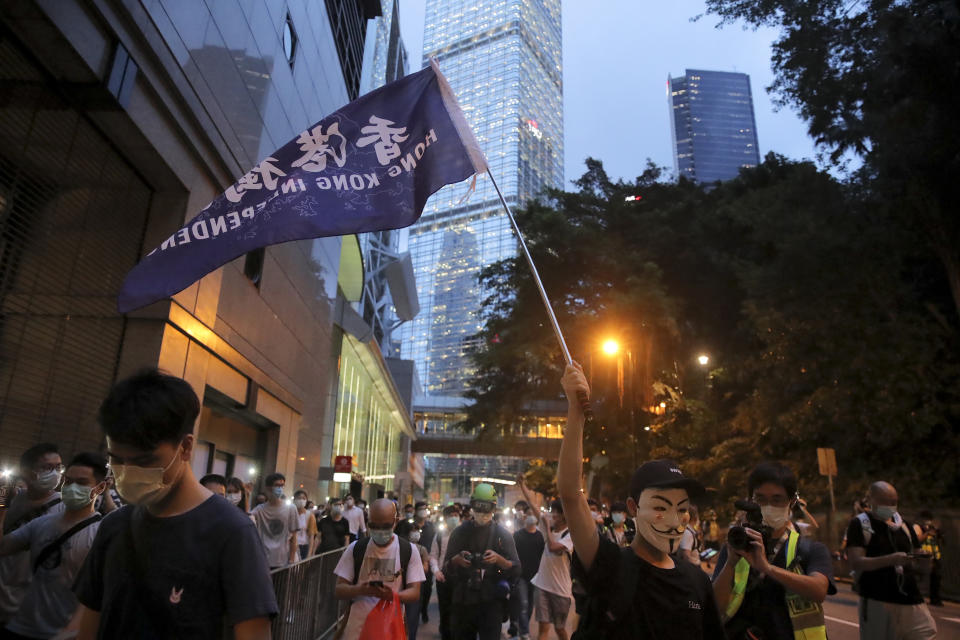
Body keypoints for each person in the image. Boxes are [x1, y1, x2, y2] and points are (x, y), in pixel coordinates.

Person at [71, 368, 276, 639]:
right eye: (117, 460)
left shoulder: (232, 533)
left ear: (186, 448)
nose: (127, 471)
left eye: (144, 461)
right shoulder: (114, 526)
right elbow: (88, 623)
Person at [556, 362, 725, 639]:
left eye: (682, 509)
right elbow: (571, 495)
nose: (673, 519)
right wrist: (576, 411)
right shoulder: (610, 565)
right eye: (660, 506)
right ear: (633, 508)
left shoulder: (696, 581)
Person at [712, 462, 836, 640]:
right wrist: (731, 563)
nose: (768, 506)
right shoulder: (736, 545)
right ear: (749, 500)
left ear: (791, 502)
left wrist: (767, 568)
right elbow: (715, 607)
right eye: (760, 499)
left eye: (777, 499)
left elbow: (819, 590)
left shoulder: (810, 549)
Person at [0, 453, 106, 640]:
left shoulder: (100, 534)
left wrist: (73, 630)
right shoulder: (42, 523)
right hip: (19, 626)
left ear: (100, 487)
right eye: (68, 481)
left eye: (81, 482)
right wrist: (2, 506)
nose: (72, 487)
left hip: (60, 634)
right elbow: (3, 548)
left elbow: (95, 594)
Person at [846, 481, 937, 639]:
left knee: (926, 632)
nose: (890, 506)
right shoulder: (860, 524)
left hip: (911, 598)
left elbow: (917, 558)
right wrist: (890, 560)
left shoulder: (904, 526)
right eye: (884, 502)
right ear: (870, 500)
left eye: (893, 502)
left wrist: (922, 558)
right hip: (877, 600)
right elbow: (856, 562)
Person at [333, 499, 424, 640]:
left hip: (390, 629)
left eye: (386, 526)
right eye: (373, 526)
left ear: (396, 521)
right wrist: (360, 590)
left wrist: (393, 596)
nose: (380, 531)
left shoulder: (409, 551)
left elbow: (415, 592)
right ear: (368, 522)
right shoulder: (356, 549)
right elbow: (339, 589)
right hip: (357, 630)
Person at [443, 483, 520, 640]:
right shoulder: (460, 533)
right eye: (479, 508)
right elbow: (445, 569)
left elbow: (517, 569)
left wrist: (499, 560)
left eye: (487, 509)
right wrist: (456, 561)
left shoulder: (502, 535)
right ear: (472, 506)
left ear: (494, 509)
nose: (483, 513)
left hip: (492, 603)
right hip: (463, 602)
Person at [0, 443, 65, 626]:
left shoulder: (63, 509)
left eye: (58, 467)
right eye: (47, 467)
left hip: (26, 606)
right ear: (27, 472)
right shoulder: (12, 498)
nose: (55, 473)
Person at [529, 499, 573, 640]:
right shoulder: (549, 529)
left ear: (564, 516)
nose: (552, 515)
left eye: (556, 513)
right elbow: (533, 505)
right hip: (542, 585)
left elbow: (552, 548)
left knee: (560, 629)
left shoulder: (570, 535)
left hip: (560, 590)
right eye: (552, 511)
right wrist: (522, 486)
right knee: (543, 628)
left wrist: (547, 527)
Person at [398, 502, 438, 624]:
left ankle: (423, 610)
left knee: (426, 591)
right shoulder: (405, 525)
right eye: (421, 509)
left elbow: (434, 544)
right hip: (407, 563)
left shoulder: (431, 526)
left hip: (425, 561)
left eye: (425, 509)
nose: (423, 511)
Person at [251, 473, 299, 569]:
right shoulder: (260, 509)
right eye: (277, 485)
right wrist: (247, 495)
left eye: (282, 486)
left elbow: (294, 537)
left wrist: (291, 559)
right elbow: (246, 517)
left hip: (283, 560)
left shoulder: (291, 509)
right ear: (268, 488)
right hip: (264, 560)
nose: (280, 488)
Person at [510, 505, 544, 640]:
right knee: (523, 603)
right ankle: (524, 632)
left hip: (536, 576)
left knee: (530, 606)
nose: (531, 516)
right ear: (524, 517)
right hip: (521, 576)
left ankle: (522, 625)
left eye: (533, 514)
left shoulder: (540, 536)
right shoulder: (517, 535)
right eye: (528, 514)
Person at [432, 505, 461, 640]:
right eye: (451, 516)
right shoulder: (439, 535)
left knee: (458, 608)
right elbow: (433, 555)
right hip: (443, 577)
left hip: (460, 578)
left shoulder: (465, 534)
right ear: (445, 518)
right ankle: (445, 633)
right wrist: (436, 571)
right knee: (445, 609)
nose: (454, 518)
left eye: (456, 515)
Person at [400, 524, 431, 640]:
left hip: (416, 584)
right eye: (413, 531)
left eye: (417, 531)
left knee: (413, 614)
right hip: (401, 584)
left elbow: (426, 568)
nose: (415, 533)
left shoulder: (422, 549)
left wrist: (414, 566)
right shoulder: (402, 547)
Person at [915, 510, 943, 607]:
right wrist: (927, 532)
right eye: (926, 519)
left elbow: (938, 540)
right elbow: (918, 540)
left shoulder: (932, 528)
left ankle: (935, 598)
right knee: (922, 579)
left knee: (936, 578)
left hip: (934, 556)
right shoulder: (918, 527)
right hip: (923, 557)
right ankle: (918, 596)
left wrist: (936, 532)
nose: (928, 521)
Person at [293, 490, 318, 560]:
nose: (301, 500)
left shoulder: (309, 515)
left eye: (303, 498)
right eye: (299, 498)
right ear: (294, 500)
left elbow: (311, 536)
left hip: (304, 546)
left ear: (306, 500)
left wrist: (309, 553)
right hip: (291, 545)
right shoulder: (290, 513)